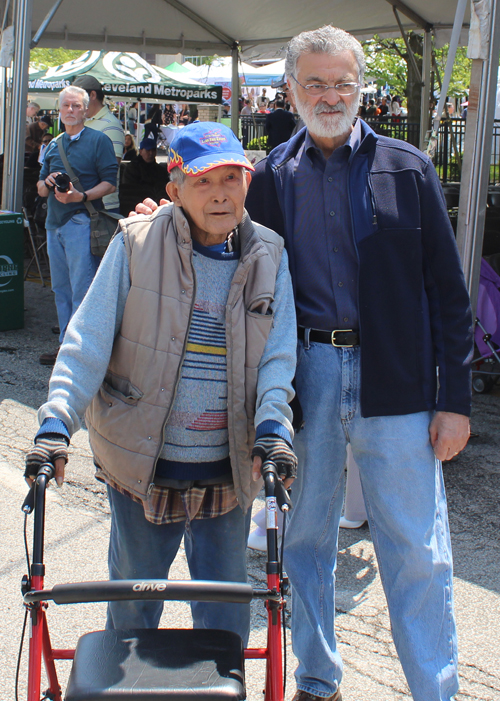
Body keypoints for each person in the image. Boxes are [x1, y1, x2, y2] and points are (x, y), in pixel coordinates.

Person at [244, 25, 473, 701]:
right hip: (306, 375)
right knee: (306, 541)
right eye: (314, 82)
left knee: (417, 551)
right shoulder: (270, 177)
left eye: (343, 82)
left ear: (361, 88)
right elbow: (244, 281)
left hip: (396, 378)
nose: (330, 95)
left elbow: (448, 293)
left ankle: (436, 689)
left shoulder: (409, 167)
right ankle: (318, 679)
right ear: (290, 89)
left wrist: (453, 398)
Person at [25, 121, 298, 645]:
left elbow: (277, 361)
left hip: (229, 468)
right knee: (132, 614)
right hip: (142, 468)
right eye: (203, 182)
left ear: (248, 183)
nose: (221, 194)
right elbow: (87, 342)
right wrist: (56, 422)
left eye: (232, 179)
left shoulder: (271, 256)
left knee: (224, 623)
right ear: (173, 190)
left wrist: (274, 428)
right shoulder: (135, 243)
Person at [37, 85, 118, 366]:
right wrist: (46, 183)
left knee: (82, 288)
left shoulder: (99, 141)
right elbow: (39, 186)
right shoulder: (51, 144)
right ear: (59, 111)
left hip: (82, 221)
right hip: (54, 223)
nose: (70, 111)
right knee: (60, 288)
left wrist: (80, 196)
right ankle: (65, 345)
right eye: (66, 106)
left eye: (76, 106)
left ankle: (81, 352)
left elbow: (110, 183)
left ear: (85, 109)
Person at [72, 75, 125, 214]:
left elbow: (112, 166)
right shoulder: (82, 122)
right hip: (82, 203)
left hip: (103, 206)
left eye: (79, 99)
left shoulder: (110, 124)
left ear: (93, 95)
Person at [121, 138, 170, 210]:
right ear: (141, 152)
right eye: (148, 150)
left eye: (153, 150)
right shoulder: (131, 168)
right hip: (136, 206)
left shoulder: (160, 170)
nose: (151, 153)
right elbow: (129, 190)